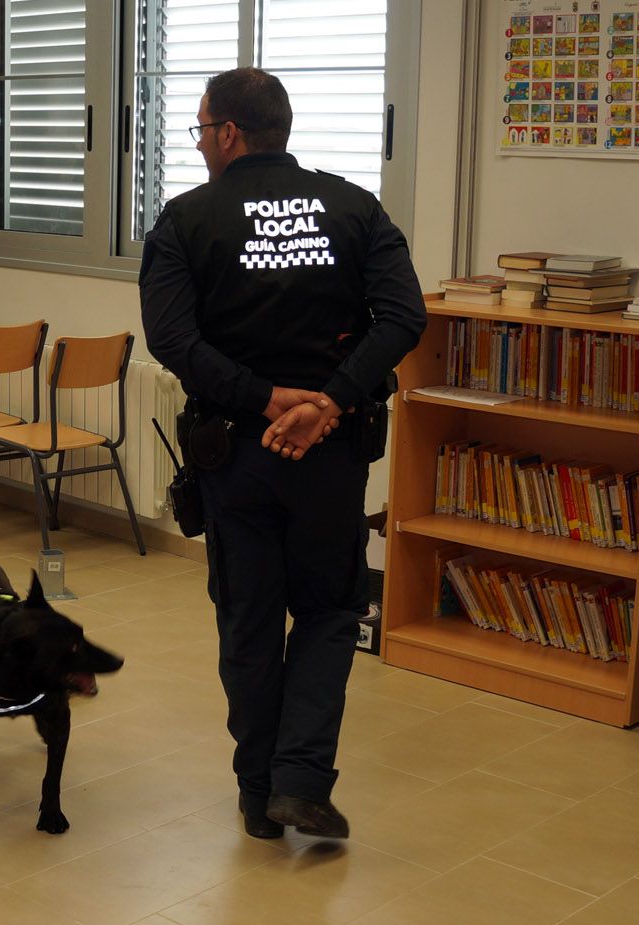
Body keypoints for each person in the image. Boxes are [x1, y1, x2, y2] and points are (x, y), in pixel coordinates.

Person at [139, 67, 426, 841]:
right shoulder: (353, 207)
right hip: (331, 454)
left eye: (202, 129)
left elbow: (171, 338)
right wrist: (325, 401)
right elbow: (404, 316)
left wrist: (265, 400)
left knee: (250, 615)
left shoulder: (188, 218)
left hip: (236, 453)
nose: (200, 143)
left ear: (230, 132)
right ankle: (300, 779)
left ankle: (258, 791)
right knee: (332, 609)